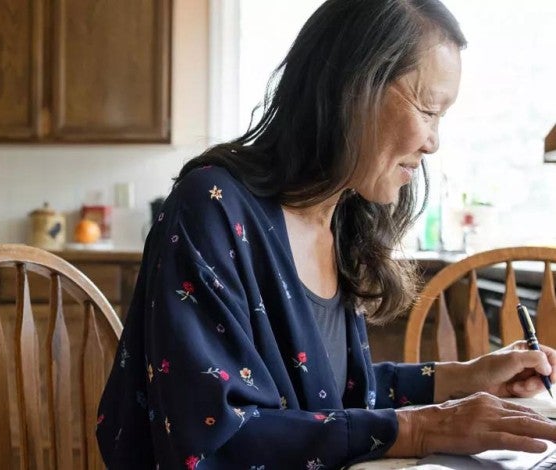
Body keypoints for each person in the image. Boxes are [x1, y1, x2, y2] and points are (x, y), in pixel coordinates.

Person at [97, 0, 556, 468]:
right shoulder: (211, 209)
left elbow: (334, 397)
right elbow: (217, 441)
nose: (433, 142)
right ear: (353, 88)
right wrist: (422, 427)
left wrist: (465, 378)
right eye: (428, 110)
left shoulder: (337, 220)